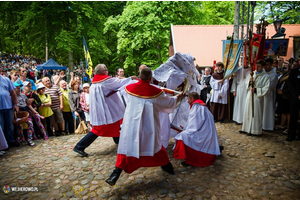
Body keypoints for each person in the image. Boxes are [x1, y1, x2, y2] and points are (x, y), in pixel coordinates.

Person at [105, 67, 182, 186]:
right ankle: (168, 168)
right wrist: (177, 97)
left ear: (139, 77)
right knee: (155, 147)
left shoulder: (128, 89)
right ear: (151, 78)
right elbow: (168, 103)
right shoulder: (156, 92)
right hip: (149, 126)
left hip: (132, 125)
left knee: (127, 148)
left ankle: (115, 173)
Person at [73, 64, 137, 157]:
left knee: (114, 122)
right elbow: (119, 82)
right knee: (98, 129)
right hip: (105, 109)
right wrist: (131, 78)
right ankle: (80, 146)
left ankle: (118, 140)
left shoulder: (96, 82)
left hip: (103, 108)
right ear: (103, 71)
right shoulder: (105, 81)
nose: (107, 71)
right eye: (106, 69)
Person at [173, 92, 221, 167]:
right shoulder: (200, 105)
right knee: (183, 134)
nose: (187, 101)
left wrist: (185, 130)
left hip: (203, 134)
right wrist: (185, 128)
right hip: (205, 131)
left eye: (188, 99)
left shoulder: (197, 106)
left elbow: (195, 124)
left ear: (192, 99)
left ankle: (191, 160)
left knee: (182, 136)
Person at [240, 60, 270, 136]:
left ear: (263, 67)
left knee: (256, 113)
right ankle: (246, 128)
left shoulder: (266, 76)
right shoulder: (252, 74)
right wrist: (250, 82)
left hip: (257, 97)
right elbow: (246, 83)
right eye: (256, 66)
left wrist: (256, 90)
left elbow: (267, 88)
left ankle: (255, 130)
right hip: (250, 96)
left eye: (258, 66)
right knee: (248, 111)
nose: (256, 67)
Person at [0, 72, 19, 147]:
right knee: (1, 127)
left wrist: (15, 104)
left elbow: (13, 92)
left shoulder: (6, 79)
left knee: (10, 125)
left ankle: (11, 141)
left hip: (8, 106)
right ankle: (3, 144)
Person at [262, 58, 278, 131]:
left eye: (268, 64)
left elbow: (270, 86)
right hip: (261, 94)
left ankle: (268, 126)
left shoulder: (273, 74)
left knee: (268, 109)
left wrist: (262, 89)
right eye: (265, 65)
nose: (266, 66)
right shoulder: (263, 72)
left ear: (271, 64)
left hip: (269, 94)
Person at [286, 57, 300, 141]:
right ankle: (291, 134)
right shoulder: (294, 71)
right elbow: (290, 84)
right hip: (295, 98)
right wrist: (297, 94)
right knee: (293, 117)